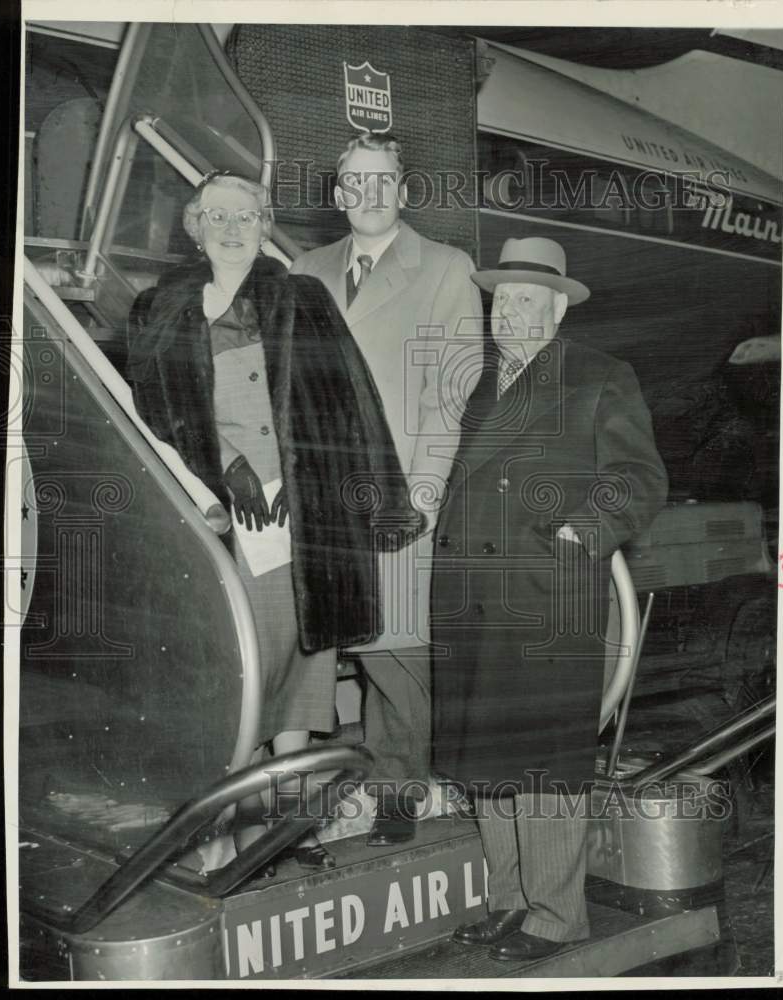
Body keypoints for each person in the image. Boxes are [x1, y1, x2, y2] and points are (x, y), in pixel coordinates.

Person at [126, 172, 420, 872]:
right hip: (217, 517)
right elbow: (148, 420)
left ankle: (290, 829)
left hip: (305, 514)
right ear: (194, 226)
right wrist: (217, 474)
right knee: (235, 664)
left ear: (265, 226)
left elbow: (354, 400)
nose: (233, 228)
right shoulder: (157, 309)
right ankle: (218, 827)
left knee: (302, 660)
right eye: (217, 216)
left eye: (248, 215)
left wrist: (376, 498)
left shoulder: (302, 299)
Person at [431, 237, 668, 960]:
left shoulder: (600, 375)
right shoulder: (476, 384)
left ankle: (558, 915)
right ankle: (509, 900)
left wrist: (578, 533)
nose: (512, 313)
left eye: (528, 300)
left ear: (558, 308)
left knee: (544, 763)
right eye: (502, 299)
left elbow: (639, 478)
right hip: (470, 595)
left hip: (546, 594)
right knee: (486, 760)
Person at [290, 133, 483, 845]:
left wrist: (427, 490)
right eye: (353, 182)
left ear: (403, 191)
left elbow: (452, 392)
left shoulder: (443, 267)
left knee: (397, 647)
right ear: (338, 196)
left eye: (383, 180)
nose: (367, 194)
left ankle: (403, 793)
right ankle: (382, 782)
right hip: (321, 498)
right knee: (355, 640)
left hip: (398, 494)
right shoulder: (305, 269)